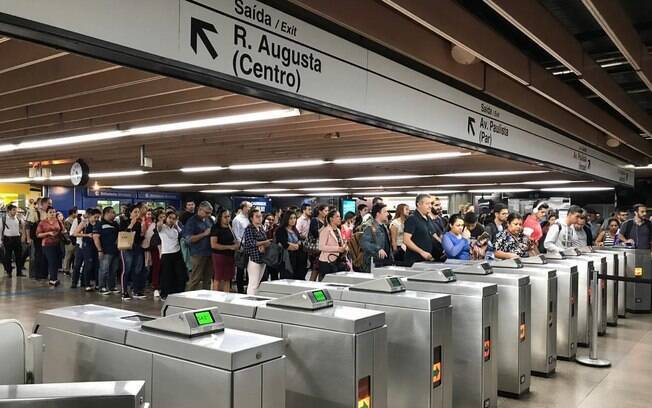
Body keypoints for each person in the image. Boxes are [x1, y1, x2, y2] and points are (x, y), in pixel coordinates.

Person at [183, 201, 215, 291]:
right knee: (195, 279)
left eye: (210, 213)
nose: (208, 215)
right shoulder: (192, 221)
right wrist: (204, 234)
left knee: (208, 279)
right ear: (200, 210)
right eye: (206, 212)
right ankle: (190, 299)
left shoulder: (210, 220)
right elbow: (188, 239)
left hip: (209, 253)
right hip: (198, 254)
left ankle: (206, 298)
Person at [157, 211, 187, 299]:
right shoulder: (162, 227)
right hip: (166, 254)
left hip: (177, 253)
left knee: (180, 274)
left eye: (174, 218)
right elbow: (158, 226)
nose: (171, 220)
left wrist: (176, 225)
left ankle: (178, 292)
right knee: (166, 275)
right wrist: (162, 219)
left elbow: (183, 234)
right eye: (170, 218)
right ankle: (165, 294)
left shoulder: (175, 228)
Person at [403, 194, 439, 264]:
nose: (430, 206)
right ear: (419, 204)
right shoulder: (412, 219)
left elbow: (434, 235)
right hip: (415, 260)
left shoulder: (428, 218)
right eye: (427, 204)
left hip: (427, 258)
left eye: (431, 204)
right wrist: (422, 252)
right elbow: (406, 240)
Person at [243, 208, 271, 294]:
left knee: (258, 283)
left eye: (261, 216)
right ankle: (250, 301)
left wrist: (265, 244)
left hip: (262, 258)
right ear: (251, 218)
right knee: (253, 283)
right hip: (253, 258)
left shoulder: (261, 228)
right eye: (257, 216)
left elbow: (265, 240)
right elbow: (250, 243)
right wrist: (264, 242)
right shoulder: (249, 228)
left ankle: (254, 299)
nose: (260, 218)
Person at [119, 205, 145, 300]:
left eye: (138, 212)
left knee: (137, 270)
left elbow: (139, 237)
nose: (137, 214)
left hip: (136, 248)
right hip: (126, 248)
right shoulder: (124, 222)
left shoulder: (139, 223)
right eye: (135, 212)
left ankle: (136, 290)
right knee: (126, 269)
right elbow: (123, 234)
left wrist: (142, 231)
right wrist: (131, 224)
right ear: (130, 213)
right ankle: (124, 292)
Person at [94, 207, 121, 294]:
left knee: (113, 270)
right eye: (112, 212)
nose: (114, 214)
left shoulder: (115, 224)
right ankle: (102, 287)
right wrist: (99, 250)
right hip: (105, 251)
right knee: (104, 269)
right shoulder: (99, 224)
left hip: (115, 251)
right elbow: (96, 237)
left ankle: (112, 287)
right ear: (107, 213)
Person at [210, 208, 238, 292]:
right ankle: (215, 296)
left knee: (227, 278)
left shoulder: (229, 226)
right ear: (220, 217)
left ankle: (226, 295)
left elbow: (232, 239)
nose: (227, 219)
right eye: (225, 217)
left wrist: (236, 244)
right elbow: (213, 245)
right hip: (219, 256)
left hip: (230, 255)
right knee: (218, 277)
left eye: (229, 216)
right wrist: (229, 247)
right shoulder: (215, 228)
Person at [36, 207, 63, 287]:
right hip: (47, 244)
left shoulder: (57, 221)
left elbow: (63, 230)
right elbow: (38, 234)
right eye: (50, 212)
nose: (52, 214)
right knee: (52, 261)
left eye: (54, 212)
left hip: (57, 243)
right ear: (47, 213)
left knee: (56, 261)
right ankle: (53, 279)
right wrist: (48, 233)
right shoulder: (42, 223)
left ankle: (51, 277)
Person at [275, 210, 307, 280]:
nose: (293, 220)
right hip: (285, 259)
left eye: (294, 218)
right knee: (287, 278)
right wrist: (295, 245)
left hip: (297, 259)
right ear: (286, 219)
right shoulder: (281, 230)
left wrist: (294, 245)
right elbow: (285, 245)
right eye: (290, 218)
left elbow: (300, 244)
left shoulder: (295, 230)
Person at [73, 208, 100, 291]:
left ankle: (97, 284)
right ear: (90, 216)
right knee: (88, 265)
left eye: (98, 217)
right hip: (87, 245)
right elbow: (75, 233)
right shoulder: (85, 222)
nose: (96, 219)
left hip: (95, 245)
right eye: (95, 217)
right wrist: (87, 235)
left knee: (96, 265)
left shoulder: (98, 223)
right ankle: (86, 284)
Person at [362, 203, 393, 270]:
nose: (387, 214)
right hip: (375, 263)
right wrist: (378, 248)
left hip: (385, 262)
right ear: (378, 214)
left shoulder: (384, 227)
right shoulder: (369, 226)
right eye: (385, 212)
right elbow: (364, 243)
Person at [318, 210, 348, 280]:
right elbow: (321, 246)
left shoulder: (338, 230)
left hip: (337, 260)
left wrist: (344, 247)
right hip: (327, 261)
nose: (339, 218)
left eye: (340, 216)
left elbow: (340, 243)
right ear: (331, 219)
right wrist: (337, 248)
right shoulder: (326, 230)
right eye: (337, 216)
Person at [27, 197, 51, 280]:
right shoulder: (34, 212)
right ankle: (37, 274)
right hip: (38, 237)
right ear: (43, 203)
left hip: (47, 237)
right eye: (48, 203)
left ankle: (44, 274)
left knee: (46, 256)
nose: (50, 205)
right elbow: (29, 226)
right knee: (38, 255)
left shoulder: (48, 212)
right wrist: (28, 237)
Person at [232, 201, 252, 293]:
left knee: (249, 269)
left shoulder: (249, 218)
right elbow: (236, 234)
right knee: (240, 269)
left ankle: (248, 288)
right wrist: (242, 245)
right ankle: (240, 290)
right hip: (242, 247)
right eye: (249, 207)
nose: (250, 209)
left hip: (250, 247)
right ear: (243, 208)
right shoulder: (237, 219)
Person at [2, 204, 26, 277]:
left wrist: (23, 236)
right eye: (13, 210)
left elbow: (22, 227)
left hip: (17, 239)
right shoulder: (3, 218)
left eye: (16, 210)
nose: (15, 211)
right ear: (9, 211)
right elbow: (0, 229)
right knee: (8, 256)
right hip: (8, 239)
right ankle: (9, 271)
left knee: (19, 256)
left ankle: (19, 272)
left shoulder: (18, 218)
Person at [308, 204, 329, 281]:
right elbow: (316, 234)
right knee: (315, 269)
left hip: (324, 249)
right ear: (320, 211)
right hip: (316, 250)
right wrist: (324, 226)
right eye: (325, 211)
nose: (327, 212)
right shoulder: (314, 220)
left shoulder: (326, 221)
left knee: (322, 271)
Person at [62, 207, 78, 275]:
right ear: (73, 213)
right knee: (68, 256)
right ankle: (66, 269)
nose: (77, 214)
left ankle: (72, 269)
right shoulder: (68, 221)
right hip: (70, 241)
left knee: (73, 256)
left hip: (74, 240)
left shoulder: (75, 220)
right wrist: (68, 240)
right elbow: (66, 232)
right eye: (76, 212)